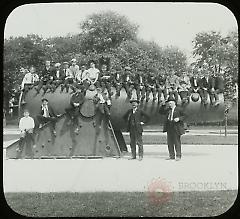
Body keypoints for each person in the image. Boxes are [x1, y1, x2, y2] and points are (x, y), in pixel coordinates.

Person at [158, 96, 185, 161]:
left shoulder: (179, 109)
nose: (169, 104)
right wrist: (163, 105)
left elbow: (185, 115)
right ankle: (171, 155)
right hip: (169, 127)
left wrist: (179, 119)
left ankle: (178, 155)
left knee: (177, 142)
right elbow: (161, 112)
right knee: (170, 142)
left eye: (170, 103)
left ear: (174, 103)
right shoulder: (168, 110)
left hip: (176, 127)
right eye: (168, 103)